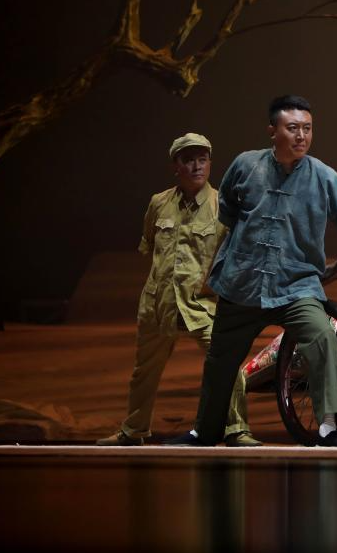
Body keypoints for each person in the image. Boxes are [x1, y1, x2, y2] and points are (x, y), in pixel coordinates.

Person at [167, 95, 337, 447]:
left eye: (307, 129)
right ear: (273, 131)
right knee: (220, 359)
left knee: (321, 337)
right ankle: (205, 431)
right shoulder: (246, 165)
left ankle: (327, 427)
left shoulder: (322, 176)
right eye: (292, 128)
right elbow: (228, 210)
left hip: (296, 285)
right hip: (242, 283)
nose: (301, 136)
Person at [97, 133, 257, 447]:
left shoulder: (223, 206)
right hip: (159, 303)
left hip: (202, 303)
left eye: (202, 159)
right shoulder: (159, 203)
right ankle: (133, 430)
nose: (197, 166)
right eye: (189, 160)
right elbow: (150, 245)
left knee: (227, 364)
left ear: (210, 164)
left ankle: (237, 430)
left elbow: (236, 256)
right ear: (176, 166)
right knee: (144, 371)